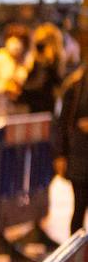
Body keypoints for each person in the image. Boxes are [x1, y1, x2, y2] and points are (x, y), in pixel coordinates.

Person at [53, 62, 88, 233]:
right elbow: (62, 123)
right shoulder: (75, 85)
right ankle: (78, 256)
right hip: (80, 156)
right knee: (79, 205)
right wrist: (60, 155)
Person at [0, 23, 30, 117]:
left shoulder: (27, 60)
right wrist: (5, 87)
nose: (16, 46)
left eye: (20, 41)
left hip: (20, 111)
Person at [21, 23, 65, 115]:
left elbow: (57, 82)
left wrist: (48, 61)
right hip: (32, 102)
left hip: (45, 103)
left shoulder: (55, 60)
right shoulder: (33, 58)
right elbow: (30, 80)